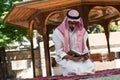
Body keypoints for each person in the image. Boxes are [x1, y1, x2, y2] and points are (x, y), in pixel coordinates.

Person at [52, 9, 95, 76]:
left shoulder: (82, 31)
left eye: (76, 23)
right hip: (66, 59)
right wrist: (72, 58)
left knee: (91, 66)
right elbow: (59, 52)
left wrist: (86, 55)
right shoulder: (58, 32)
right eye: (71, 23)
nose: (73, 25)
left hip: (80, 58)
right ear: (67, 21)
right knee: (73, 69)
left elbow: (85, 48)